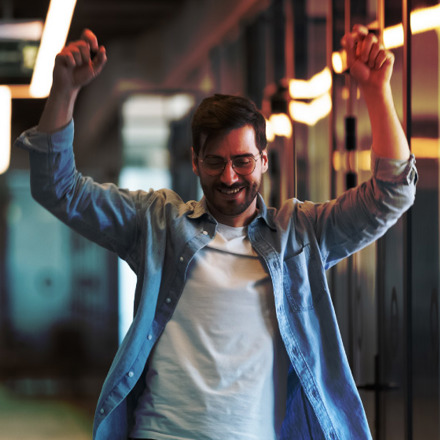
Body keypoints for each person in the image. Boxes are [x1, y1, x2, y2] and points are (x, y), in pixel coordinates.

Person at [15, 24, 416, 440]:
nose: (229, 176)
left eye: (242, 160)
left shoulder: (301, 234)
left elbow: (391, 194)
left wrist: (376, 91)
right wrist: (63, 90)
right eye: (214, 161)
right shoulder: (159, 224)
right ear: (194, 161)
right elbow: (58, 188)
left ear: (263, 159)